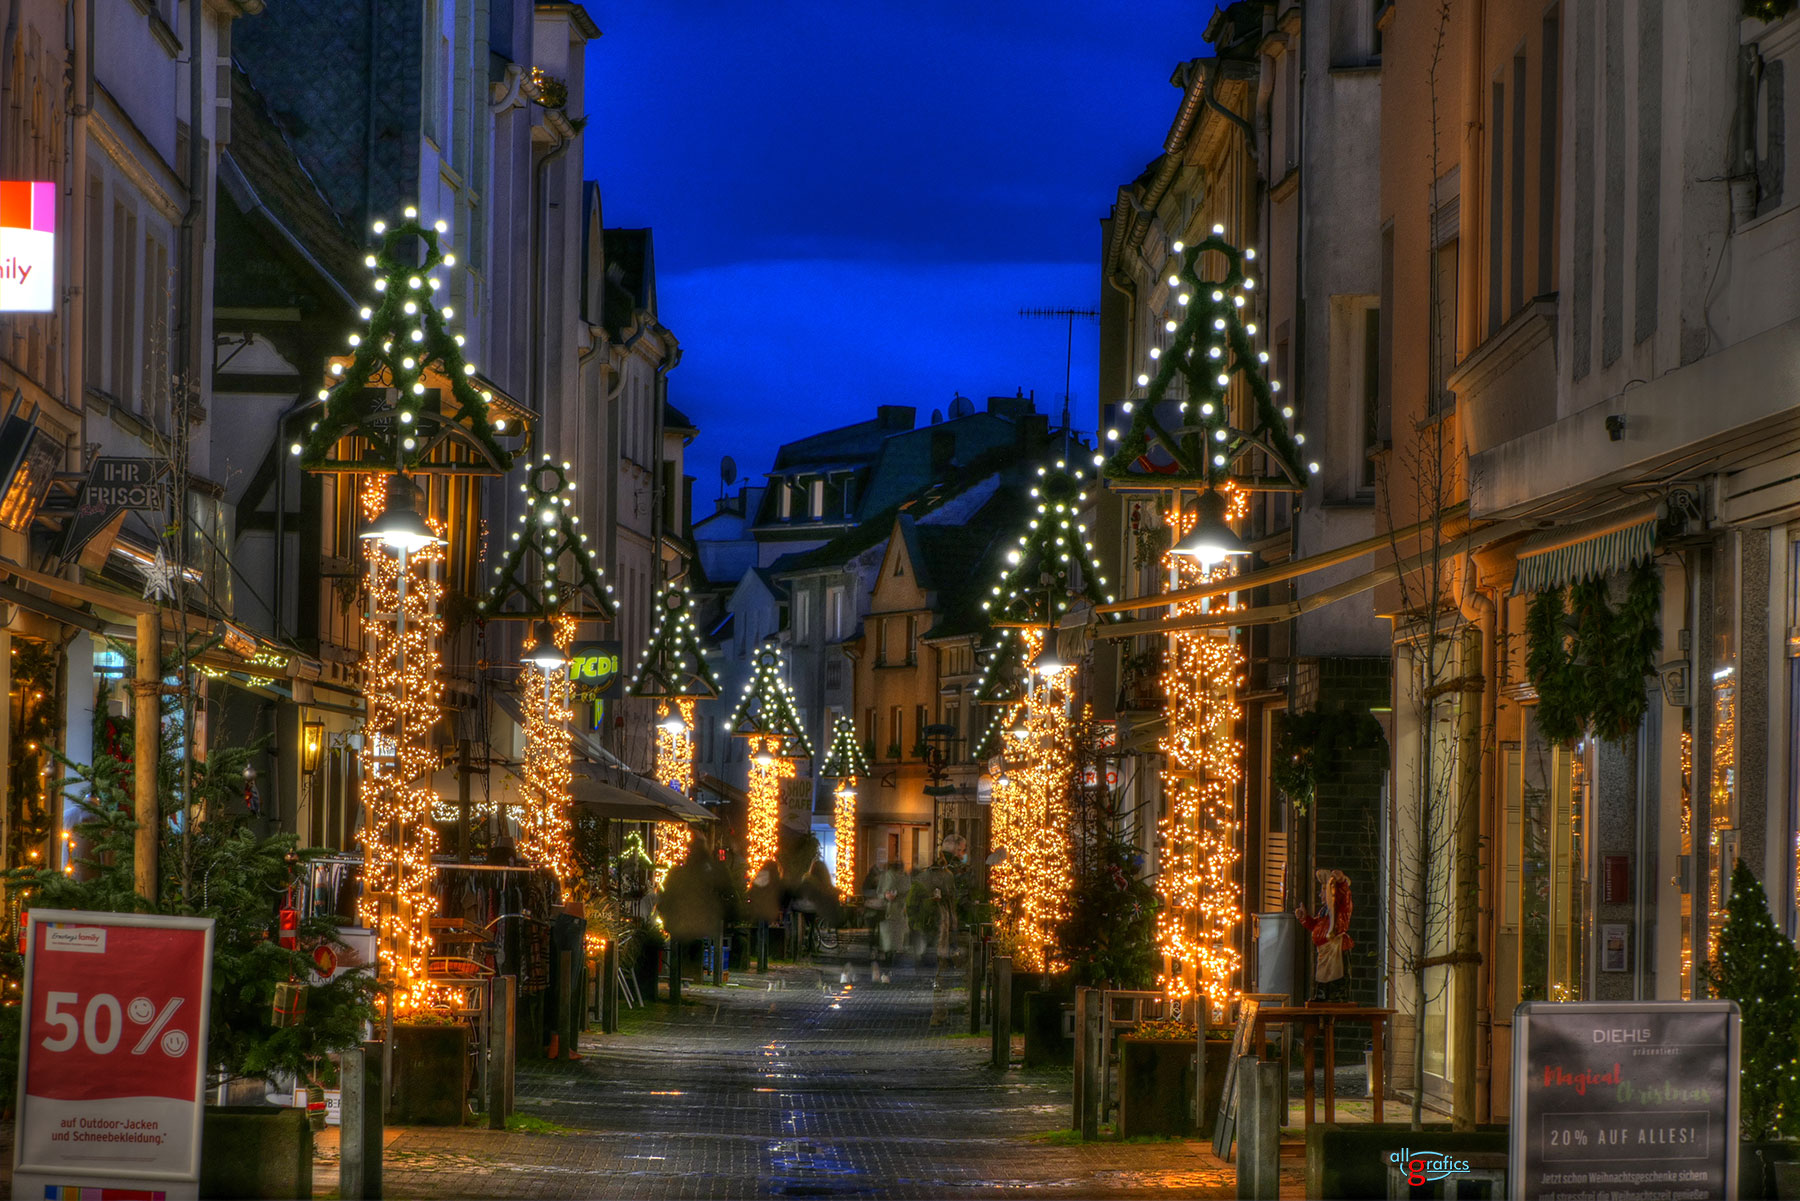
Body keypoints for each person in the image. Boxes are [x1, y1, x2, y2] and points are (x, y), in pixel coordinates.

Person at [1295, 868, 1353, 1002]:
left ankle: (1337, 995)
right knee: (1323, 974)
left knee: (1335, 974)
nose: (1320, 895)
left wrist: (1341, 882)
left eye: (1323, 891)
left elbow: (1345, 896)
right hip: (1324, 950)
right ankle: (1322, 994)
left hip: (1335, 947)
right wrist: (1305, 919)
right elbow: (1317, 926)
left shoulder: (1340, 909)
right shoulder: (1324, 912)